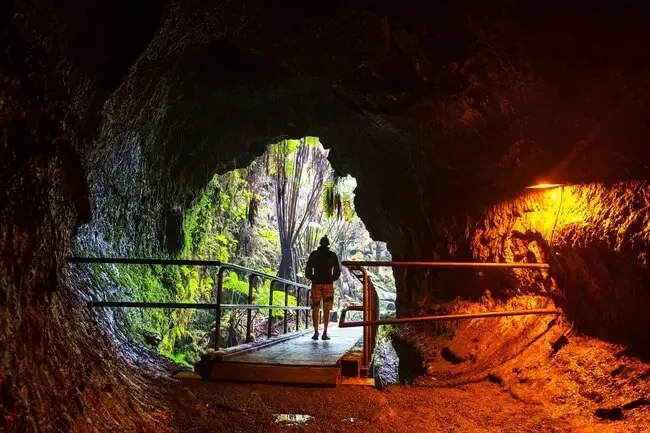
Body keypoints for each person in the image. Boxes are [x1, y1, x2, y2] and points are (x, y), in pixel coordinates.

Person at [304, 236, 341, 340]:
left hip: (316, 283)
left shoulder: (314, 254)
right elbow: (337, 271)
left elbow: (308, 269)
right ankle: (325, 332)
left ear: (320, 243)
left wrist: (313, 278)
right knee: (326, 309)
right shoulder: (332, 255)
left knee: (315, 308)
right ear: (328, 244)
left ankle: (316, 332)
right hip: (328, 284)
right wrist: (331, 278)